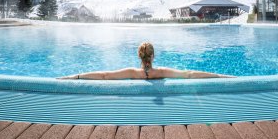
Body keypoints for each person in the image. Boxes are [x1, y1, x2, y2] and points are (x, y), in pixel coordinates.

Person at [59, 42, 235, 80]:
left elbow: (104, 75)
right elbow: (189, 74)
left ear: (139, 56)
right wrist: (219, 76)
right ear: (153, 56)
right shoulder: (162, 72)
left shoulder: (132, 73)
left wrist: (76, 76)